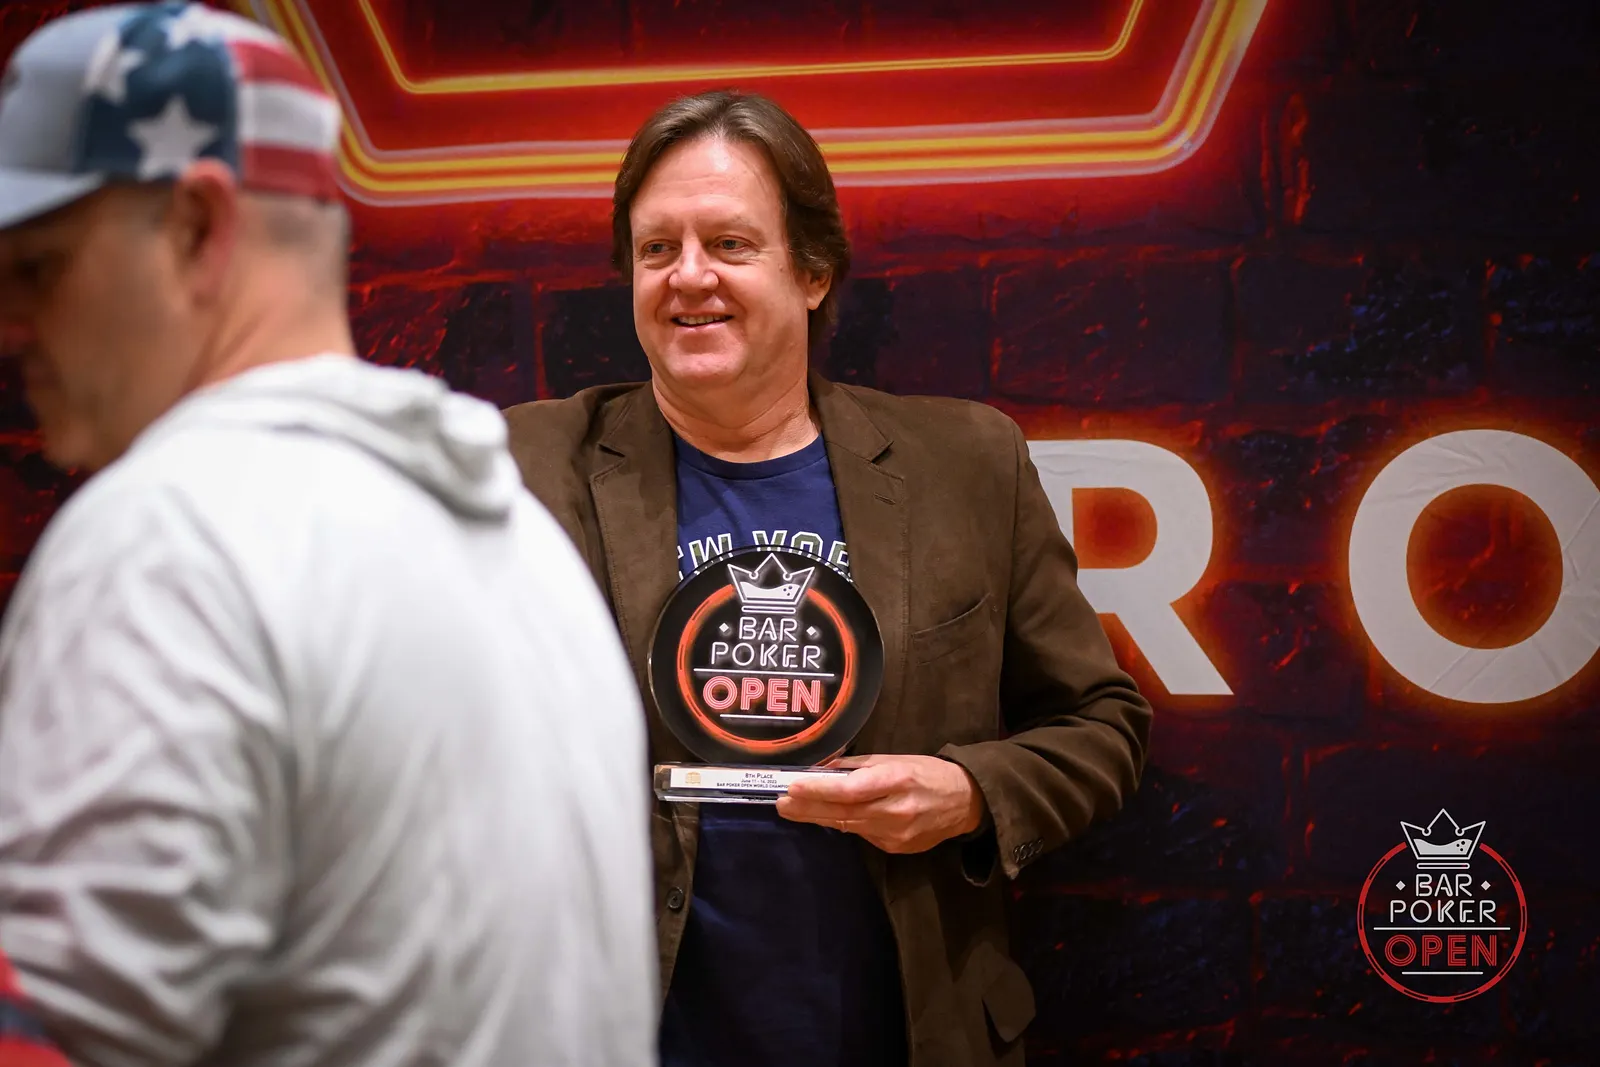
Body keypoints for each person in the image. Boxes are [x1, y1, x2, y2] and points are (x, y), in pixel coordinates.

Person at [0, 5, 655, 1066]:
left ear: (195, 228)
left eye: (37, 266)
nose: (10, 326)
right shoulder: (517, 541)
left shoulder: (172, 541)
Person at [503, 89, 1155, 1067]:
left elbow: (1102, 724)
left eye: (729, 244)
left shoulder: (966, 463)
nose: (688, 276)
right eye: (656, 248)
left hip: (908, 1034)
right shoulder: (523, 464)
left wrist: (968, 791)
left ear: (812, 271)